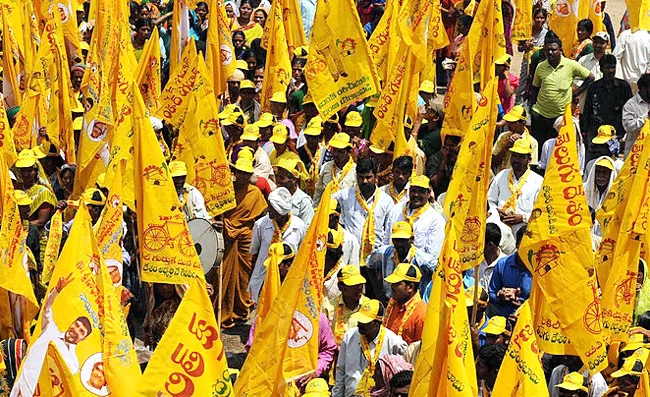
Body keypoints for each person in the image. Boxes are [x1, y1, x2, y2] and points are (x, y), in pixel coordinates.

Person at [12, 275, 92, 396]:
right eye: (77, 325)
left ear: (83, 338)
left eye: (81, 331)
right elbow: (47, 308)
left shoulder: (74, 363)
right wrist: (57, 291)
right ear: (71, 324)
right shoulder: (50, 328)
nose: (76, 330)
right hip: (23, 382)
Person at [217, 152, 267, 328]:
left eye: (247, 173)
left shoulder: (255, 193)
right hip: (226, 237)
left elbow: (261, 215)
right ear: (235, 172)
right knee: (224, 275)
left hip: (246, 237)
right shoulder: (225, 191)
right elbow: (218, 211)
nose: (243, 176)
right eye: (240, 172)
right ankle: (223, 310)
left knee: (244, 274)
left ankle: (242, 309)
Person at [531, 33, 595, 148]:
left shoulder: (571, 65)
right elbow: (535, 88)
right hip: (540, 115)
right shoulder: (540, 67)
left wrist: (577, 92)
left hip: (560, 117)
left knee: (558, 148)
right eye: (548, 50)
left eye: (554, 50)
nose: (550, 53)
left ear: (560, 50)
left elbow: (590, 77)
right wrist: (533, 109)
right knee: (539, 148)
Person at [332, 300, 407, 397]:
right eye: (359, 320)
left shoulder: (394, 343)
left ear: (377, 323)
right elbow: (341, 371)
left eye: (365, 322)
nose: (360, 324)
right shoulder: (349, 337)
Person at [249, 187, 306, 302]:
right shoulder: (261, 225)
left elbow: (302, 253)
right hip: (264, 278)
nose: (268, 209)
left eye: (272, 207)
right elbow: (254, 253)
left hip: (288, 279)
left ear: (280, 211)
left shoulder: (299, 225)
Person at [332, 157, 393, 266]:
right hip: (350, 256)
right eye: (361, 177)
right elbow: (325, 204)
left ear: (375, 176)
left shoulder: (386, 201)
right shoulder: (344, 195)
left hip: (376, 259)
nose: (364, 181)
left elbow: (388, 233)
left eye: (368, 177)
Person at [366, 222, 437, 304]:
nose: (399, 244)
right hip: (389, 302)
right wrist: (378, 292)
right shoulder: (384, 253)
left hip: (414, 305)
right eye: (396, 240)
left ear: (412, 239)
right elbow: (369, 264)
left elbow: (440, 273)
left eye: (403, 240)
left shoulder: (422, 260)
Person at [488, 137, 543, 235]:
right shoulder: (501, 175)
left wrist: (523, 217)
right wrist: (496, 213)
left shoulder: (538, 181)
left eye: (521, 157)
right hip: (500, 227)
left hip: (524, 230)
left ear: (529, 159)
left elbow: (541, 211)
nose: (516, 160)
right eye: (514, 156)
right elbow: (490, 200)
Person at [581, 54, 633, 154]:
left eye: (613, 67)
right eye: (607, 68)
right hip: (597, 134)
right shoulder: (594, 87)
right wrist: (585, 131)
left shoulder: (623, 86)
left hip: (618, 133)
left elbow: (630, 110)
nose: (610, 71)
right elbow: (587, 109)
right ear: (601, 69)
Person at [385, 175, 445, 260]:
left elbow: (432, 257)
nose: (416, 195)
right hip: (393, 265)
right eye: (413, 191)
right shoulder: (396, 210)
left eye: (421, 191)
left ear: (428, 194)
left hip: (419, 269)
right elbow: (387, 242)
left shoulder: (436, 220)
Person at [488, 228, 533, 317]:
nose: (526, 250)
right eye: (523, 245)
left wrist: (523, 306)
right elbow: (492, 293)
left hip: (527, 320)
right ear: (516, 245)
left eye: (530, 246)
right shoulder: (502, 264)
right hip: (502, 321)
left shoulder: (539, 270)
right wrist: (500, 296)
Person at [322, 265, 369, 345]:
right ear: (341, 287)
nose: (359, 287)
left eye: (360, 284)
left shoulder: (368, 306)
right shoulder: (329, 307)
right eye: (354, 285)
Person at [383, 263, 427, 344]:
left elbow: (419, 350)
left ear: (410, 287)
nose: (392, 286)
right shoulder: (393, 302)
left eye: (397, 284)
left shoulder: (421, 314)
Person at [515, 7, 548, 105]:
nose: (539, 20)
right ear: (533, 18)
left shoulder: (546, 34)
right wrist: (525, 46)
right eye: (537, 17)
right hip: (526, 63)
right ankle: (518, 108)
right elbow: (519, 48)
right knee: (522, 86)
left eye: (542, 18)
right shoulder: (527, 31)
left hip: (539, 65)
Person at [492, 105, 539, 173]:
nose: (508, 125)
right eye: (508, 122)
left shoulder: (532, 142)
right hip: (502, 178)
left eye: (513, 122)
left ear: (523, 123)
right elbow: (493, 163)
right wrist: (506, 146)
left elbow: (531, 167)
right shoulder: (503, 137)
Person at [314, 133, 357, 206]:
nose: (336, 154)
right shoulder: (325, 167)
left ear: (349, 152)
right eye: (334, 150)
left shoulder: (355, 171)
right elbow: (318, 192)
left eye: (340, 152)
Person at [275, 158, 314, 225]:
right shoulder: (275, 195)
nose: (277, 181)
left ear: (294, 180)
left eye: (282, 178)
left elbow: (307, 228)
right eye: (277, 176)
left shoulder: (304, 202)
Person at [613, 28, 650, 93]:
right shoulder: (647, 36)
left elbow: (616, 57)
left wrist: (619, 79)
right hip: (641, 83)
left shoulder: (625, 35)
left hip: (628, 81)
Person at [622, 73, 650, 158]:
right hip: (636, 155)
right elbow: (628, 127)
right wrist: (647, 116)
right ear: (643, 88)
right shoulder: (630, 105)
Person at [297, 116, 323, 197]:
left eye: (314, 137)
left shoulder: (323, 152)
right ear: (305, 136)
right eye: (309, 137)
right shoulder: (299, 152)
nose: (311, 140)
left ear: (319, 138)